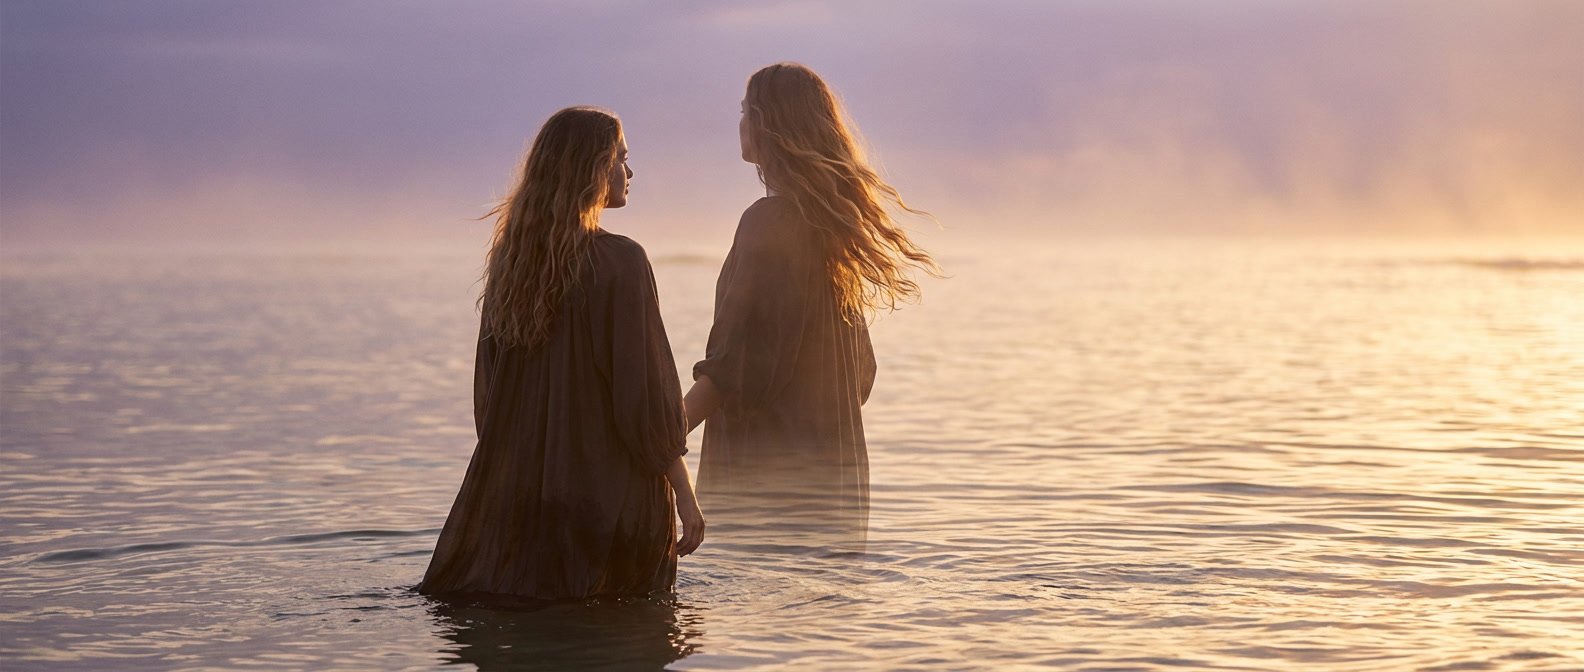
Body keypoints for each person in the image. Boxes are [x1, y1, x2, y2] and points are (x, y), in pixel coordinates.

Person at [419, 107, 704, 600]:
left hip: (525, 505)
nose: (630, 173)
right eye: (622, 159)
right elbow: (647, 405)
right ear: (594, 168)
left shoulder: (510, 266)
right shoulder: (622, 262)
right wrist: (685, 494)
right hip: (611, 503)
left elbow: (488, 403)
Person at [683, 63, 938, 544]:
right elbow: (862, 375)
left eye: (745, 112)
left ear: (766, 124)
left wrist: (656, 441)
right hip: (831, 487)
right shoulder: (830, 231)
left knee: (749, 610)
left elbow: (736, 367)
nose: (739, 124)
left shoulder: (771, 221)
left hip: (765, 490)